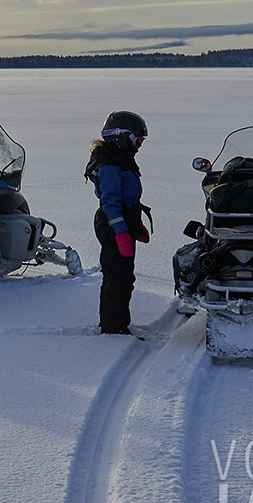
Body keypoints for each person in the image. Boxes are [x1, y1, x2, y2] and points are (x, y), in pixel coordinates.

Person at [85, 111, 149, 335]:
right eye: (137, 140)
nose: (140, 145)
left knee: (124, 276)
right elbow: (110, 202)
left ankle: (119, 323)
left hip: (124, 221)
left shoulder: (122, 158)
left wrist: (136, 224)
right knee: (117, 277)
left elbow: (129, 197)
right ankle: (113, 328)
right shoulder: (110, 164)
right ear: (121, 136)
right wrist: (121, 232)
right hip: (113, 224)